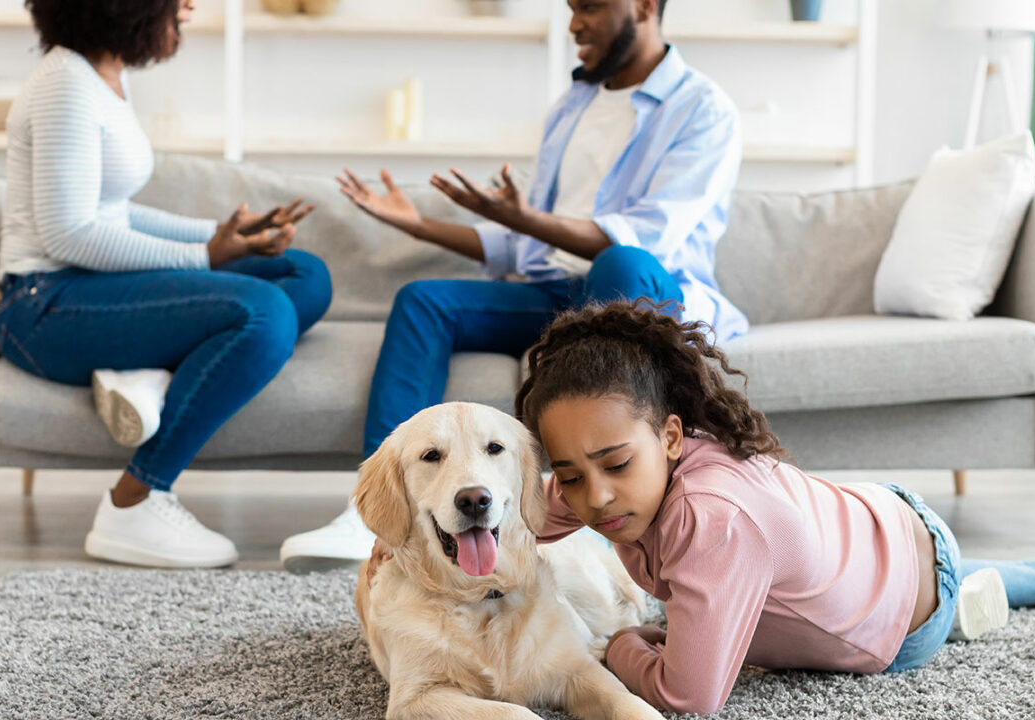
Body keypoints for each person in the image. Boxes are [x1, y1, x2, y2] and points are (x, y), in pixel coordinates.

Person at [280, 0, 748, 570]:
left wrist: (520, 218)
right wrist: (418, 224)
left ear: (645, 6)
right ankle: (378, 515)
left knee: (619, 261)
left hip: (639, 288)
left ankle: (619, 506)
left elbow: (648, 237)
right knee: (424, 301)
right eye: (572, 8)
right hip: (557, 293)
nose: (574, 24)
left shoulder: (703, 109)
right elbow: (526, 246)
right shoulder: (572, 107)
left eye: (590, 8)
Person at [512, 301, 1035, 715]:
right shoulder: (626, 471)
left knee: (946, 593)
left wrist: (622, 644)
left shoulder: (714, 520)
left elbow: (689, 697)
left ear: (671, 437)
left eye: (615, 465)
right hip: (880, 525)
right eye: (569, 474)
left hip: (903, 625)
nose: (594, 497)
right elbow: (520, 518)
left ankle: (1022, 589)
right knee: (950, 572)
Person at [0, 0, 332, 568]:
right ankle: (137, 499)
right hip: (45, 306)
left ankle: (147, 375)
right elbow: (69, 234)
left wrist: (227, 236)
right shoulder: (64, 87)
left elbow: (114, 212)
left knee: (305, 274)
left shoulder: (103, 79)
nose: (190, 6)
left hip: (93, 289)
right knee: (265, 314)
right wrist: (205, 255)